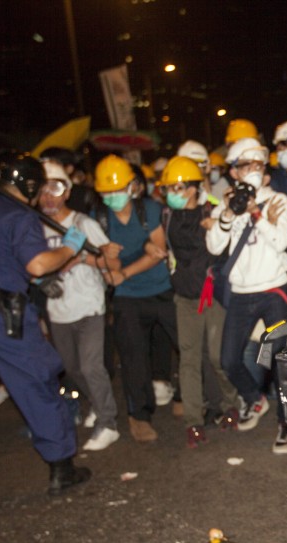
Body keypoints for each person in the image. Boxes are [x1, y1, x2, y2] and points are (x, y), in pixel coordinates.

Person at [0, 155, 92, 525]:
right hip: (3, 319)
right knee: (38, 385)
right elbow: (37, 265)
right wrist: (70, 247)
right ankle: (62, 469)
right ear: (29, 185)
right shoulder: (21, 217)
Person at [206, 137, 287, 444]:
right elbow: (213, 246)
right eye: (246, 165)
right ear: (234, 172)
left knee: (281, 358)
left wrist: (258, 213)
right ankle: (254, 399)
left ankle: (286, 422)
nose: (254, 170)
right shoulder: (228, 203)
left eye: (258, 164)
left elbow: (282, 241)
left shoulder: (277, 199)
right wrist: (228, 214)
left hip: (273, 289)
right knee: (228, 360)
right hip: (241, 292)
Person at [156, 156, 242, 447]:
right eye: (168, 188)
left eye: (176, 188)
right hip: (185, 296)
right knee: (189, 359)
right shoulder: (167, 215)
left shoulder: (214, 210)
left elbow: (229, 244)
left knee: (217, 357)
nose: (170, 193)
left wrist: (218, 225)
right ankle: (193, 422)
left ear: (193, 188)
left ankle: (232, 403)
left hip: (212, 294)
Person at [38, 161, 122, 451]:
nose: (48, 196)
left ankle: (108, 423)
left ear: (67, 192)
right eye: (42, 189)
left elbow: (112, 262)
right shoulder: (34, 227)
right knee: (72, 368)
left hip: (88, 304)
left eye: (55, 188)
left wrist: (80, 259)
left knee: (91, 366)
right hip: (58, 308)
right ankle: (98, 403)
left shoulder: (83, 224)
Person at [93, 155, 178, 442]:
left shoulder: (149, 209)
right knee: (133, 356)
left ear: (132, 186)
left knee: (185, 345)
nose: (113, 197)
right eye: (107, 192)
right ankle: (139, 416)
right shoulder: (98, 218)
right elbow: (101, 261)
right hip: (127, 297)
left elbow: (158, 252)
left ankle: (186, 397)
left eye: (118, 190)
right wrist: (108, 259)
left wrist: (125, 270)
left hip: (160, 289)